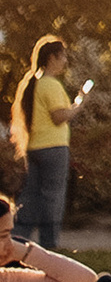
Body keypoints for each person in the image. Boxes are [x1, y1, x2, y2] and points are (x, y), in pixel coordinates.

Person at [8, 39, 85, 249]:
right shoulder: (51, 84)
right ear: (52, 58)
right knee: (53, 197)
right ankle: (49, 244)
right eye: (63, 56)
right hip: (54, 147)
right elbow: (59, 116)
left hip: (34, 147)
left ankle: (16, 240)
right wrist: (79, 105)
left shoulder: (34, 84)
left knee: (30, 196)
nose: (65, 61)